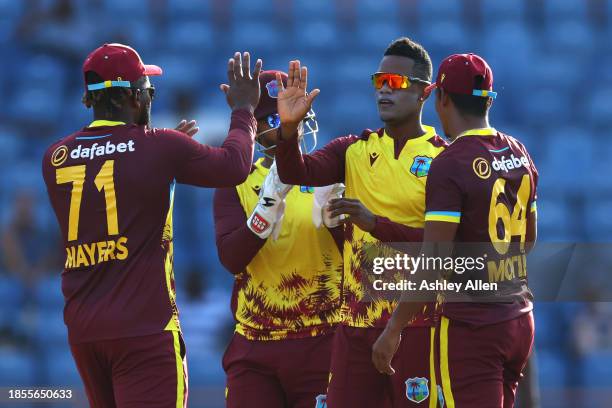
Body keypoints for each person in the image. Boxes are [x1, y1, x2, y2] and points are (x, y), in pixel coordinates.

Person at [41, 43, 262, 408]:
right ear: (130, 97)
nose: (150, 98)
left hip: (84, 331)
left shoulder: (55, 157)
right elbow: (234, 167)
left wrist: (161, 160)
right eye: (148, 90)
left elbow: (116, 190)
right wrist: (243, 111)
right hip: (144, 327)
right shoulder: (158, 147)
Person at [274, 38, 447, 407]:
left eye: (397, 82)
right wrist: (289, 130)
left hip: (418, 325)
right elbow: (295, 170)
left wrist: (375, 223)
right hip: (355, 325)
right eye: (379, 80)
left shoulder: (443, 160)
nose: (385, 89)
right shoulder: (353, 150)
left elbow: (446, 250)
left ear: (425, 92)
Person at [372, 53, 538, 408]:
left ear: (441, 98)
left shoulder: (450, 163)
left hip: (475, 328)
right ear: (488, 100)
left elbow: (434, 264)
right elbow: (529, 240)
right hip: (519, 319)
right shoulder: (519, 152)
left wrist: (393, 328)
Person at [213, 69, 344, 408]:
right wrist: (267, 208)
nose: (292, 123)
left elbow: (360, 259)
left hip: (323, 338)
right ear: (258, 127)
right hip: (256, 344)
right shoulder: (236, 180)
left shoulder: (327, 172)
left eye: (299, 112)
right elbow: (231, 258)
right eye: (277, 117)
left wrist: (337, 221)